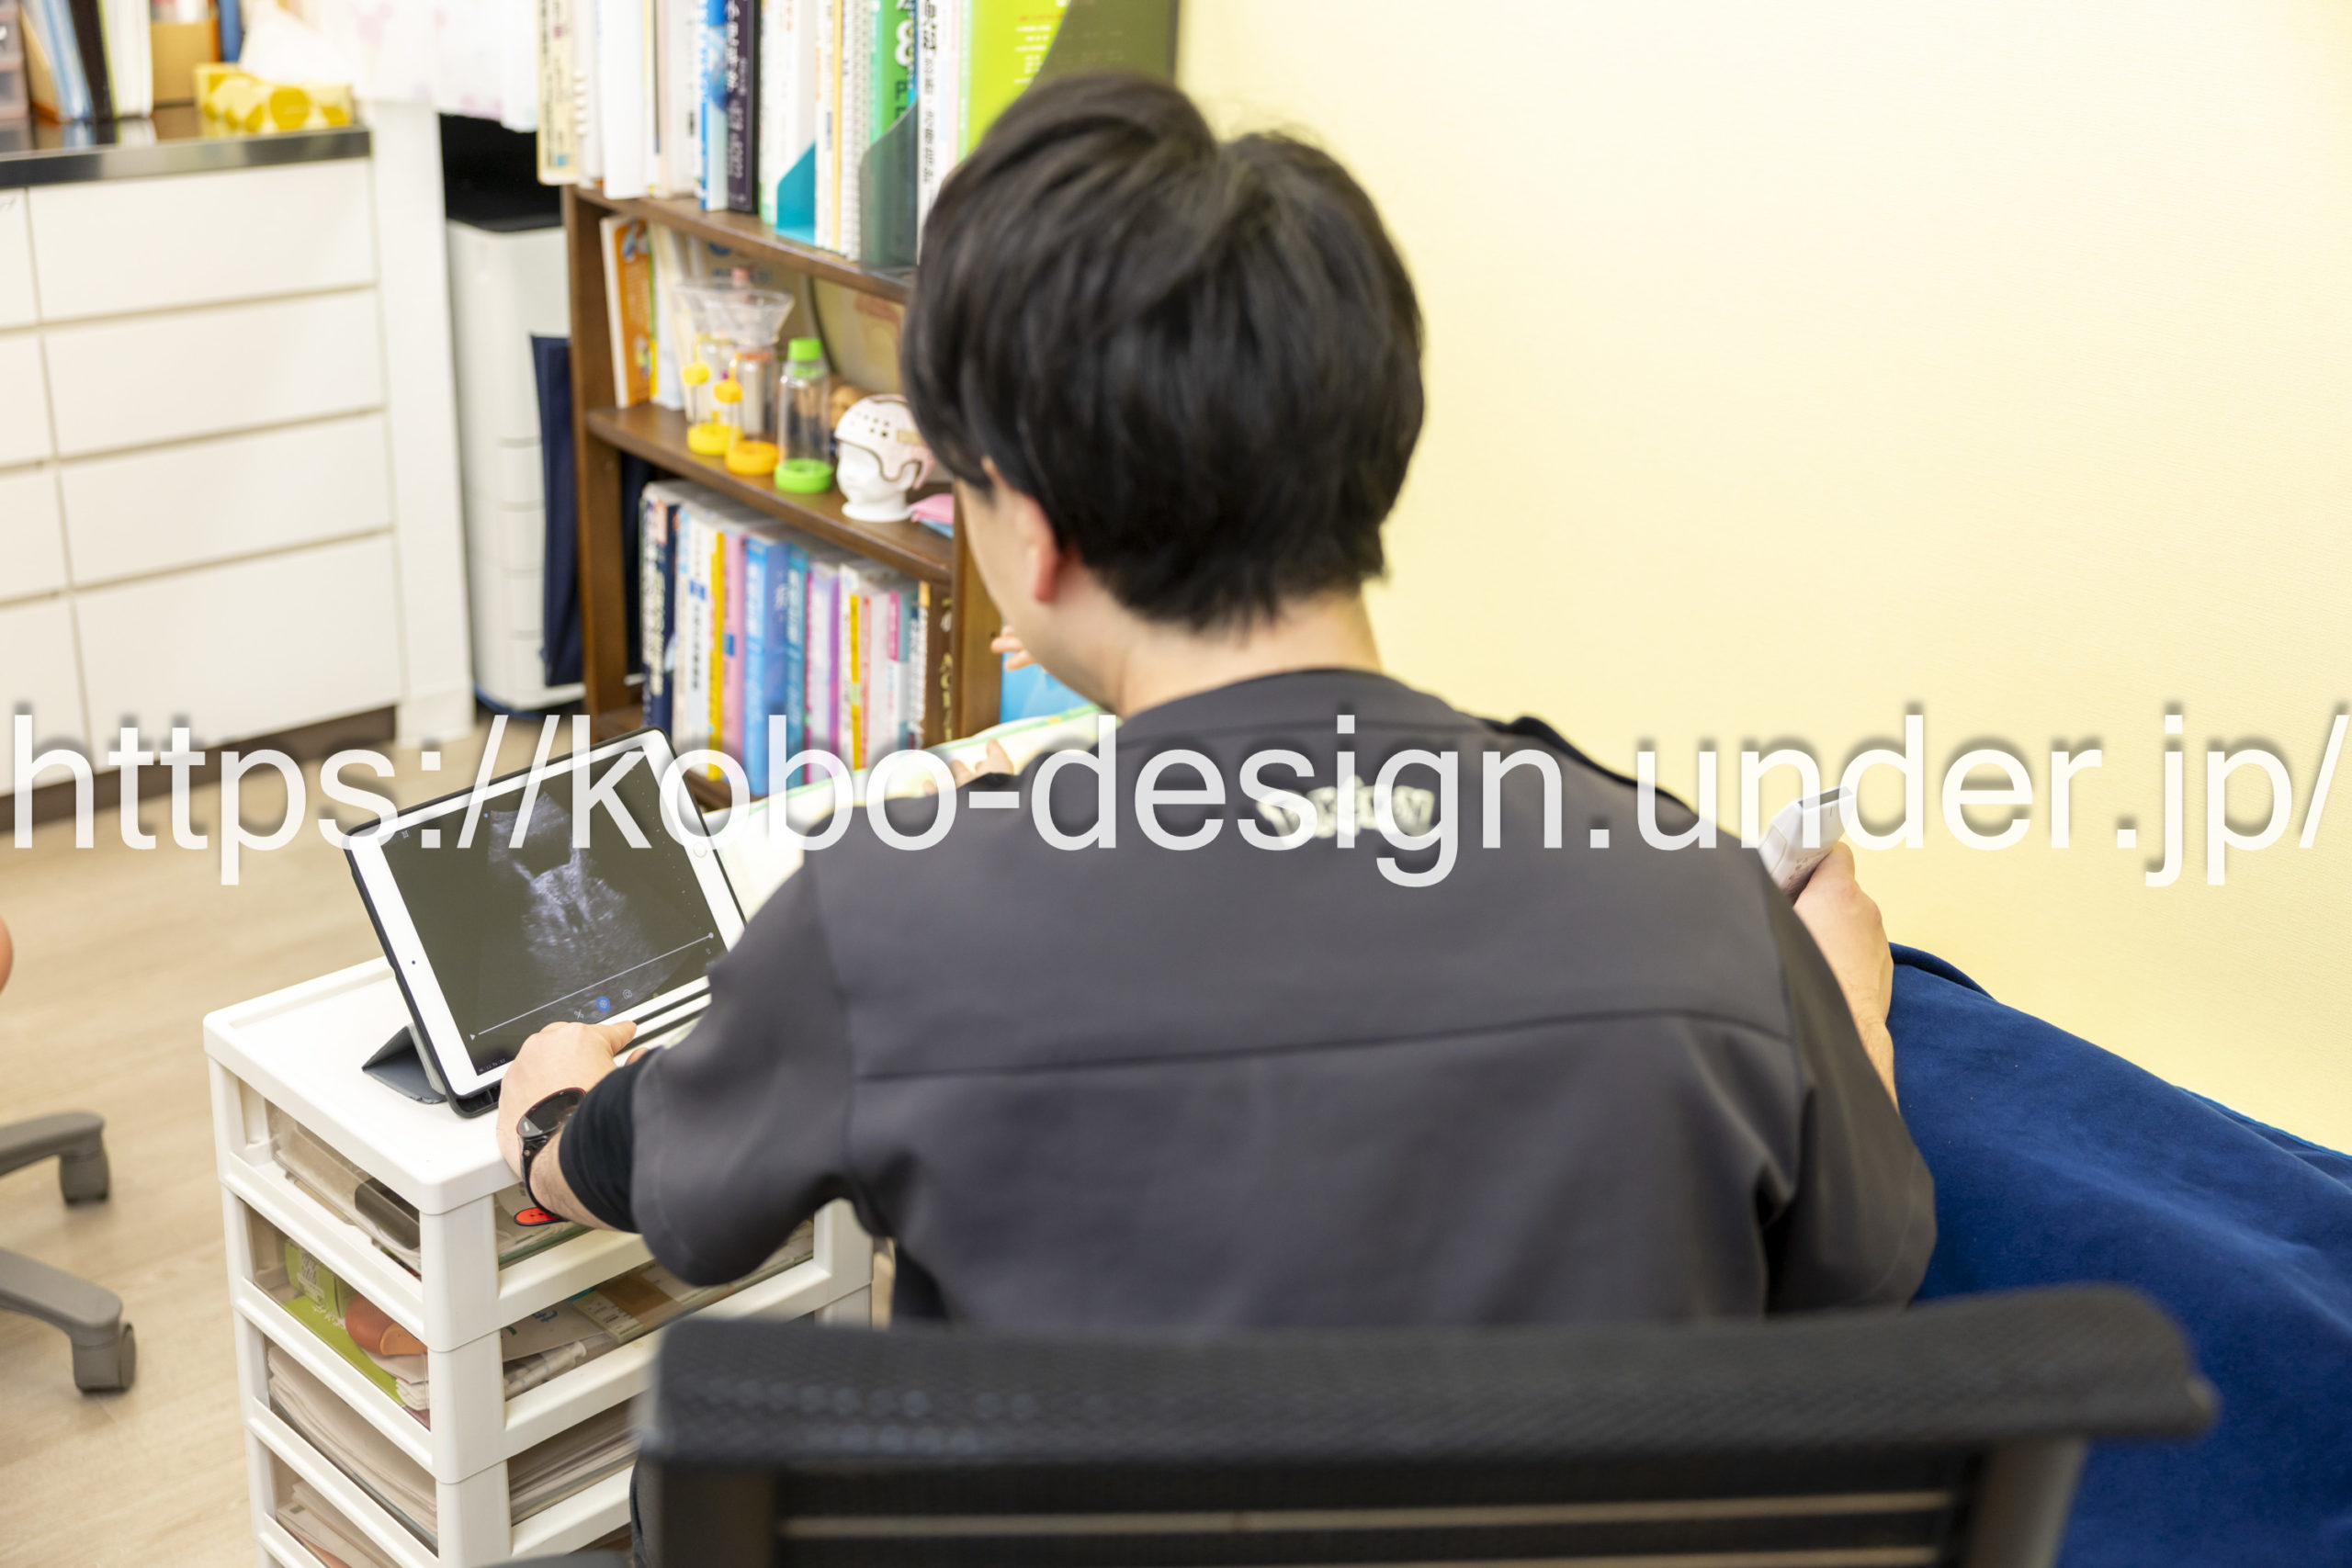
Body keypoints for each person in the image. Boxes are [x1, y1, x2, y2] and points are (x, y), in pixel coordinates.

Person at [497, 72, 1930, 1327]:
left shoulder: (891, 924)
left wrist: (553, 1121)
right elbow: (1863, 1266)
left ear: (1036, 530)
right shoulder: (1692, 902)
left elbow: (668, 1180)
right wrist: (1843, 995)